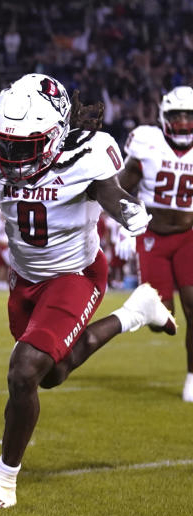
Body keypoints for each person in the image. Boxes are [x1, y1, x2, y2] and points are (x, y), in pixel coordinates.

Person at [0, 73, 177, 509]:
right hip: (24, 279)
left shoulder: (87, 155)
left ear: (56, 134)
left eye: (22, 146)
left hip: (76, 276)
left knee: (23, 370)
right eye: (5, 143)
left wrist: (128, 212)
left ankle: (3, 482)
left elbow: (109, 191)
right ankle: (136, 312)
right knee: (51, 374)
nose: (10, 155)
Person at [117, 86, 193, 402]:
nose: (184, 123)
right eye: (177, 116)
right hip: (153, 235)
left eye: (189, 116)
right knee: (163, 320)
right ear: (163, 117)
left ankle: (192, 376)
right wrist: (122, 229)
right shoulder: (146, 142)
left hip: (189, 235)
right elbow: (118, 187)